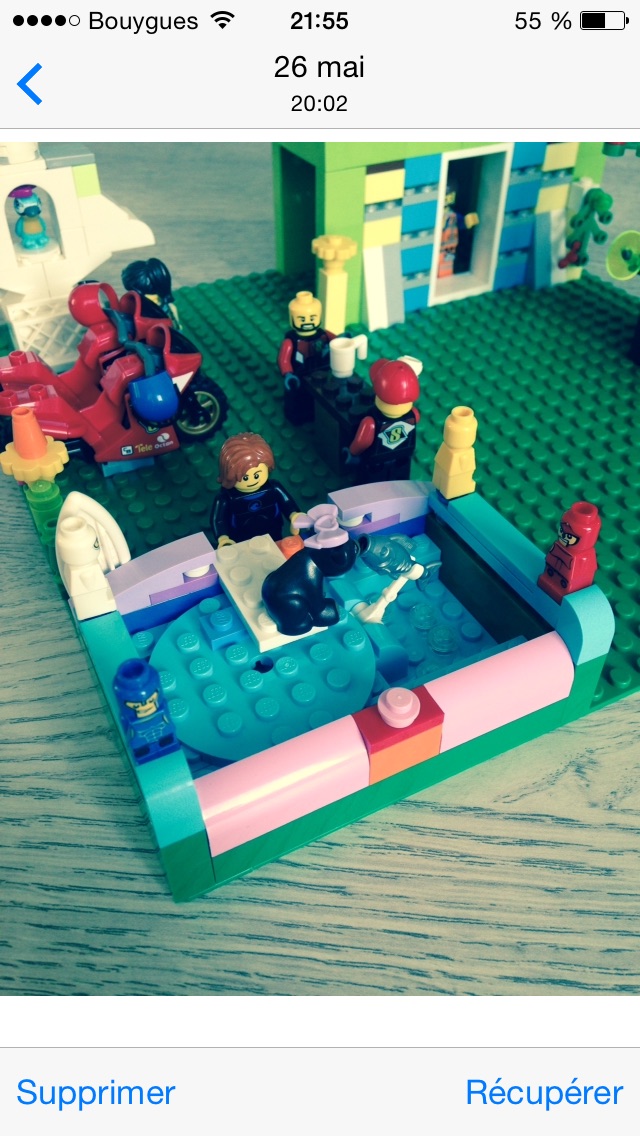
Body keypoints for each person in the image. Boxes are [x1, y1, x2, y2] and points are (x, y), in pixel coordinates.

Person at [210, 432, 301, 547]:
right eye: (245, 478)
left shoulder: (274, 488)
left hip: (273, 532)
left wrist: (294, 516)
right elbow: (218, 520)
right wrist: (223, 538)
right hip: (241, 538)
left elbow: (287, 503)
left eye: (257, 475)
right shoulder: (225, 499)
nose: (252, 480)